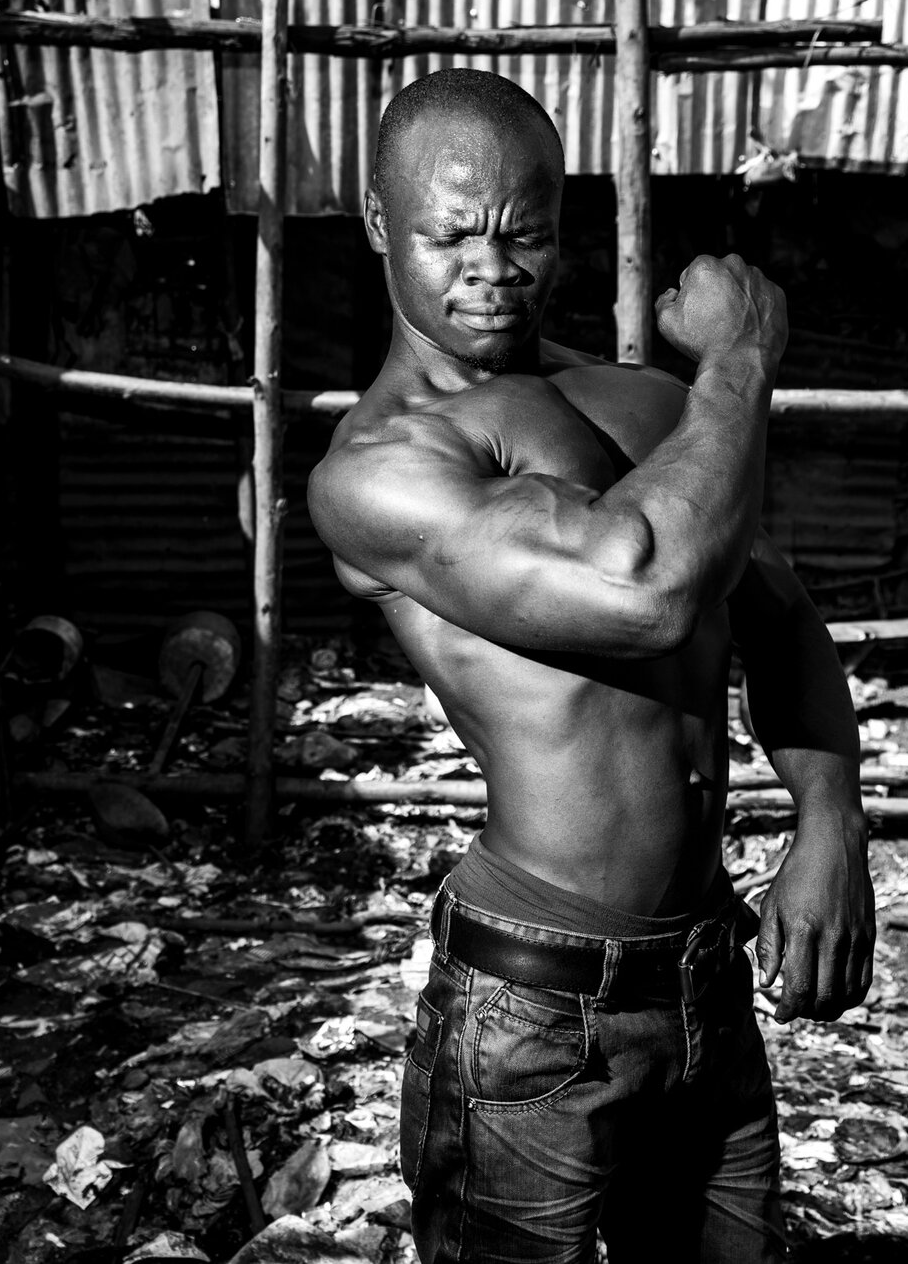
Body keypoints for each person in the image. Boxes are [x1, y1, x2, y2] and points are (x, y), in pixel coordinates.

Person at [308, 68, 875, 1263]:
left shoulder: (636, 399)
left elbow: (773, 614)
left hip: (706, 972)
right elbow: (649, 589)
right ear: (376, 223)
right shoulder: (381, 466)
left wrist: (830, 823)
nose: (491, 266)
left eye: (524, 231)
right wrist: (735, 367)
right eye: (450, 231)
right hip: (532, 1012)